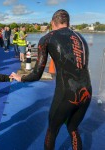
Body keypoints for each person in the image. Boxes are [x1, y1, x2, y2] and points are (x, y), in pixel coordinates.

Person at [11, 9, 92, 150]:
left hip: (66, 94)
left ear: (52, 23)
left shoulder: (47, 38)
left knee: (52, 131)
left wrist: (21, 78)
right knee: (73, 128)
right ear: (68, 23)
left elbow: (37, 73)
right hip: (87, 91)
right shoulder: (81, 37)